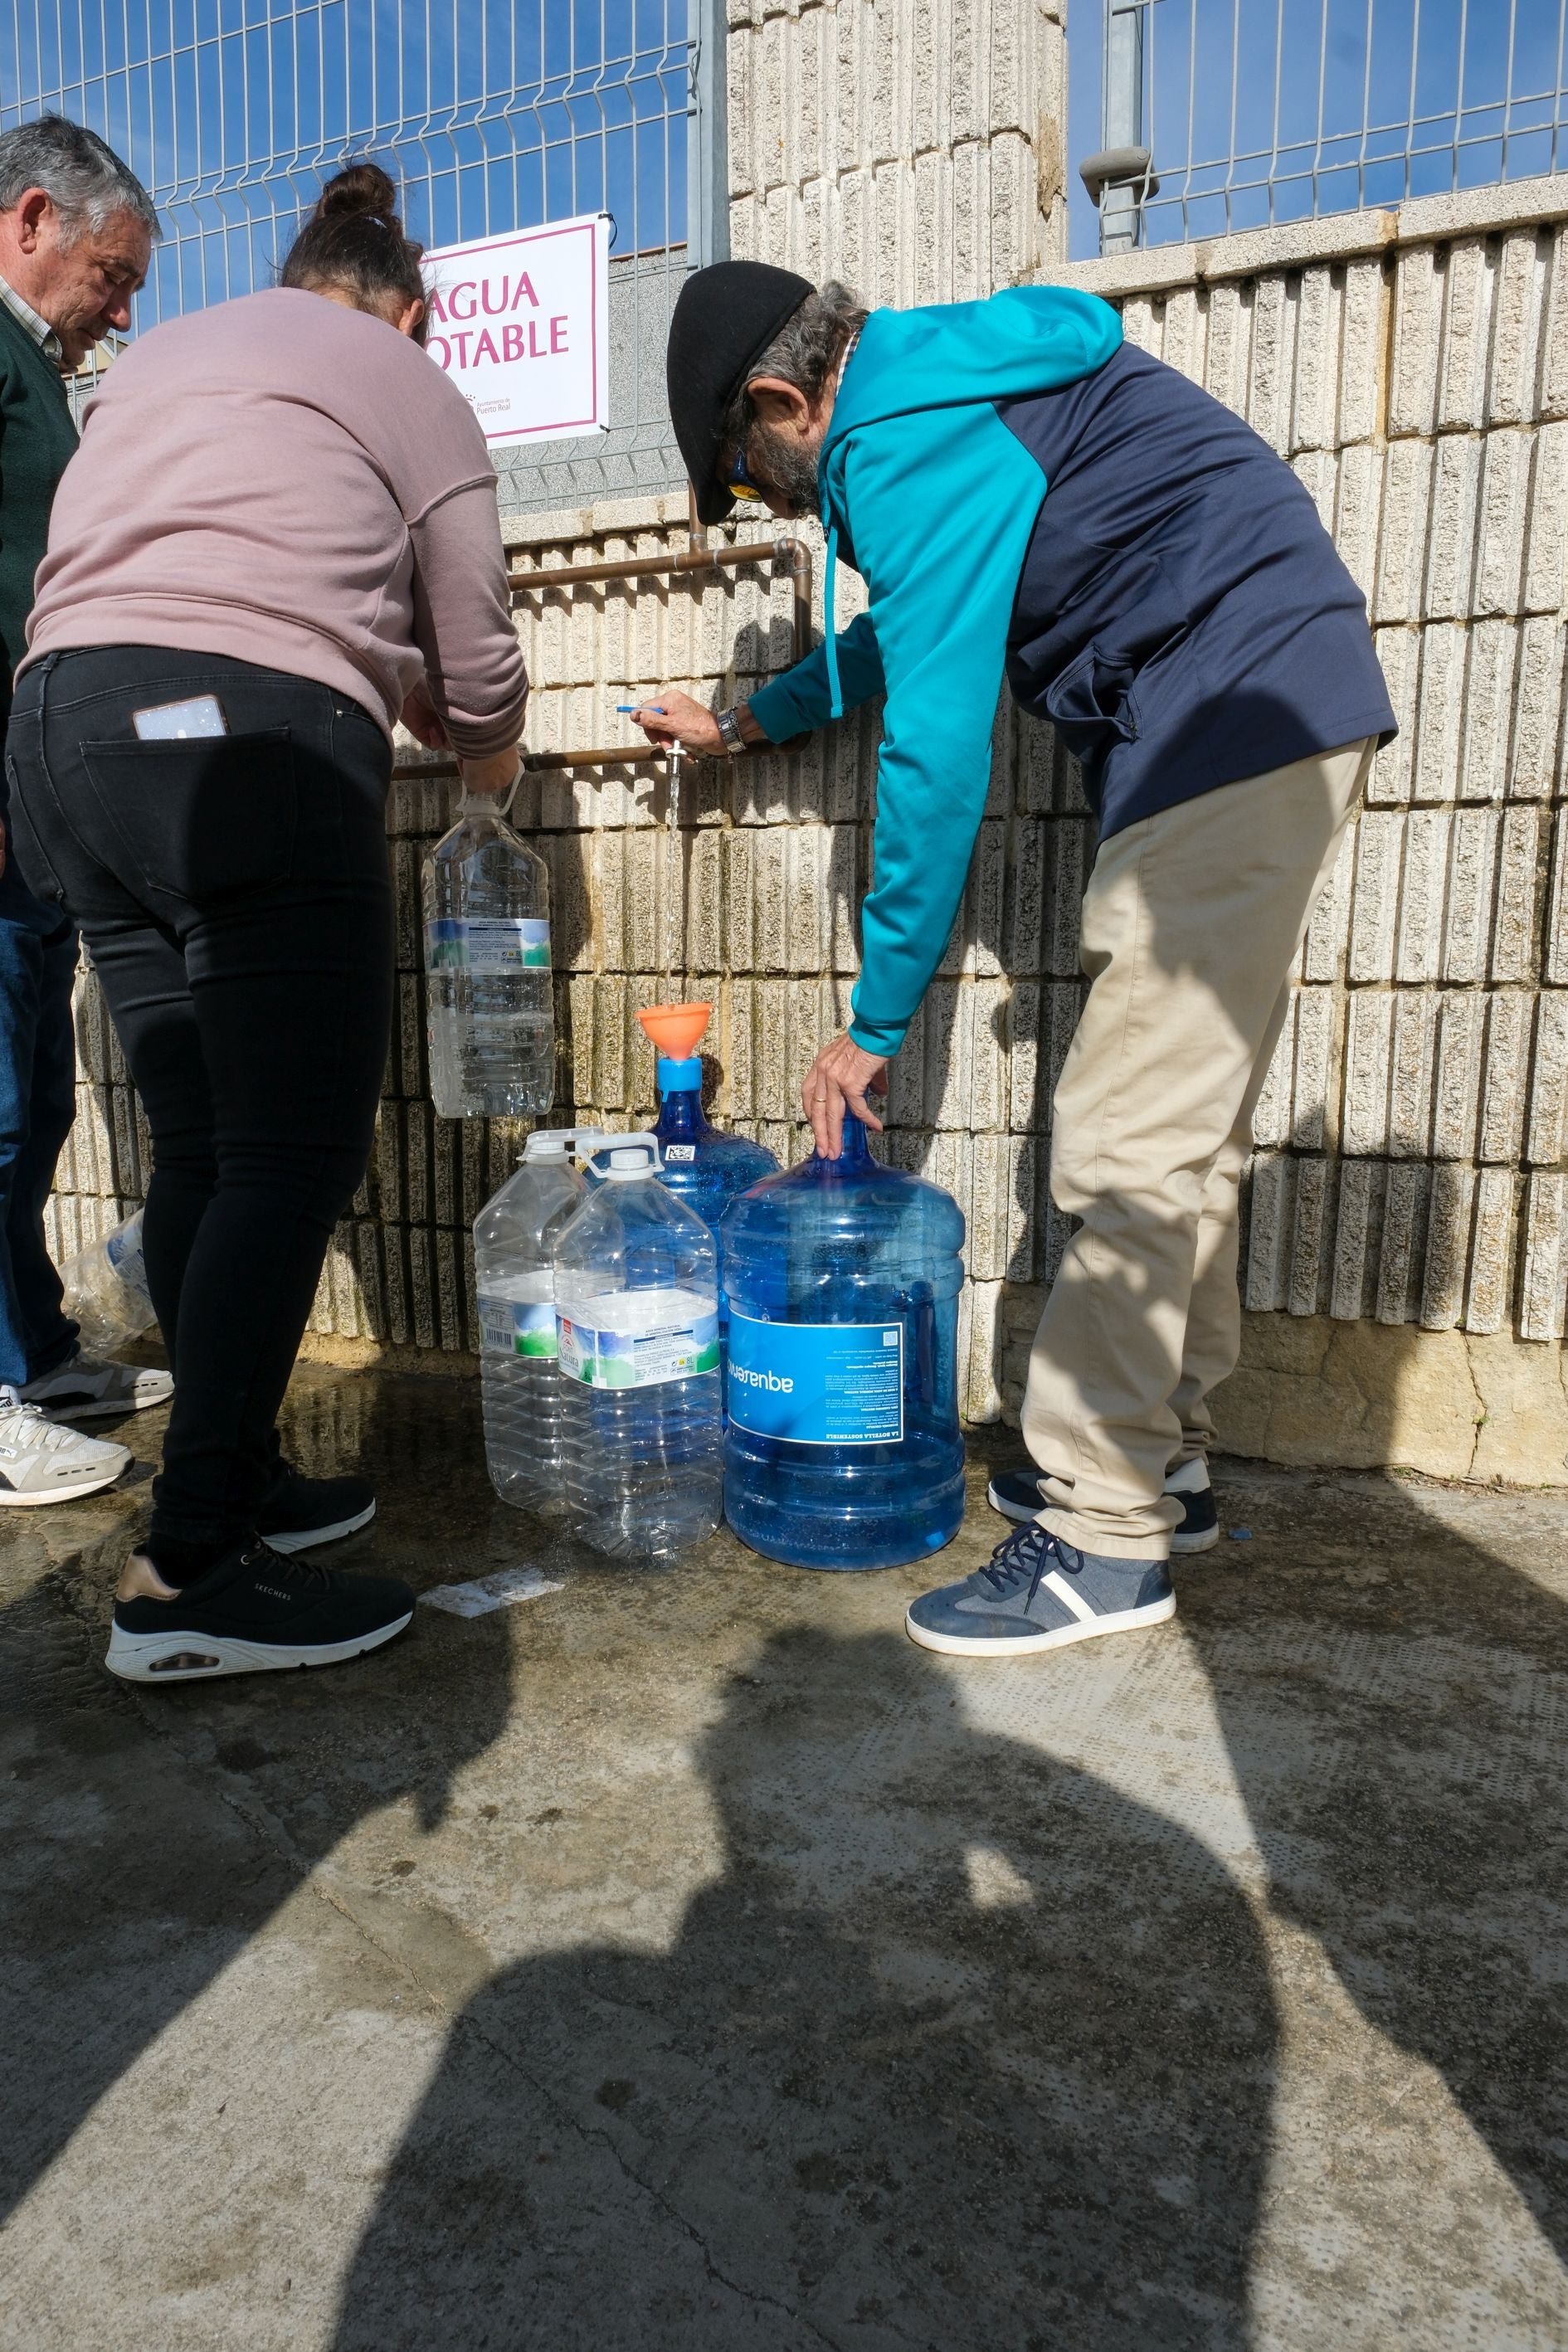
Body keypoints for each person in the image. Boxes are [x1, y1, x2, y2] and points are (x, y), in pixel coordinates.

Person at [635, 261, 1396, 1663]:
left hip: (1226, 722)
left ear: (782, 400)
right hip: (1264, 709)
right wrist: (751, 723)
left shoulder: (897, 436)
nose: (772, 505)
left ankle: (1103, 1539)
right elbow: (909, 627)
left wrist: (872, 1020)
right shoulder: (949, 381)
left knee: (1126, 1141)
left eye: (746, 478)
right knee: (1181, 1138)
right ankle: (1159, 1469)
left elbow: (935, 753)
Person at [5, 162, 528, 1680]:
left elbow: (175, 571)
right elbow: (476, 659)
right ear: (408, 312)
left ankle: (237, 1481)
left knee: (206, 1148)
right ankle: (188, 1573)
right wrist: (486, 760)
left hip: (60, 739)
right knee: (292, 1156)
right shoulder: (402, 380)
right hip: (241, 749)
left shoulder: (160, 360)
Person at [0, 116, 168, 1508]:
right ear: (31, 220)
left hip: (30, 794)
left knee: (32, 1094)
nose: (119, 311)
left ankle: (34, 1353)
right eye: (110, 276)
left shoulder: (39, 376)